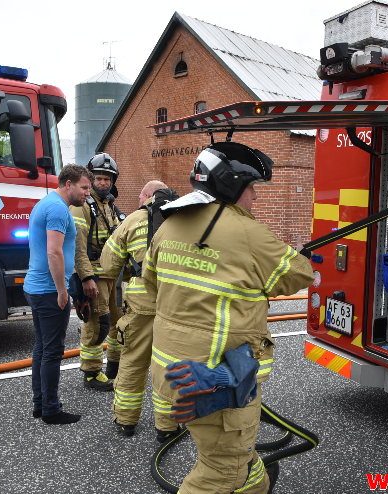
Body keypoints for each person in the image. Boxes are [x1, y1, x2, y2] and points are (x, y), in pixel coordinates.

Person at [143, 142, 314, 493]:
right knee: (222, 470)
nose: (255, 198)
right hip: (216, 378)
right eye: (251, 188)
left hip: (171, 370)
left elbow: (150, 281)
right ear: (231, 185)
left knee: (242, 463)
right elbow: (298, 275)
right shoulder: (248, 232)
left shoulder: (169, 224)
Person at [100, 180, 180, 440]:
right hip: (174, 306)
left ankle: (126, 419)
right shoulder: (181, 217)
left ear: (147, 195)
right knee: (168, 366)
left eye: (140, 195)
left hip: (141, 305)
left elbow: (108, 264)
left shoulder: (133, 219)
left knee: (134, 361)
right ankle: (166, 427)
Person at [24, 164, 93, 425]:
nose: (87, 192)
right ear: (68, 184)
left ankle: (40, 404)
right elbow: (54, 251)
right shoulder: (56, 209)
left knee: (42, 348)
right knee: (52, 351)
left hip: (38, 287)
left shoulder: (48, 203)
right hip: (49, 290)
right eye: (84, 187)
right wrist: (62, 291)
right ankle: (51, 410)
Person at [71, 153, 125, 391]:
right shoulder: (82, 207)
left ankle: (114, 365)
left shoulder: (110, 206)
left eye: (108, 179)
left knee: (118, 322)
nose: (103, 183)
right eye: (99, 179)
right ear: (91, 180)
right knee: (97, 323)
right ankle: (92, 372)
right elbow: (77, 246)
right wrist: (86, 277)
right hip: (94, 274)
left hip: (113, 273)